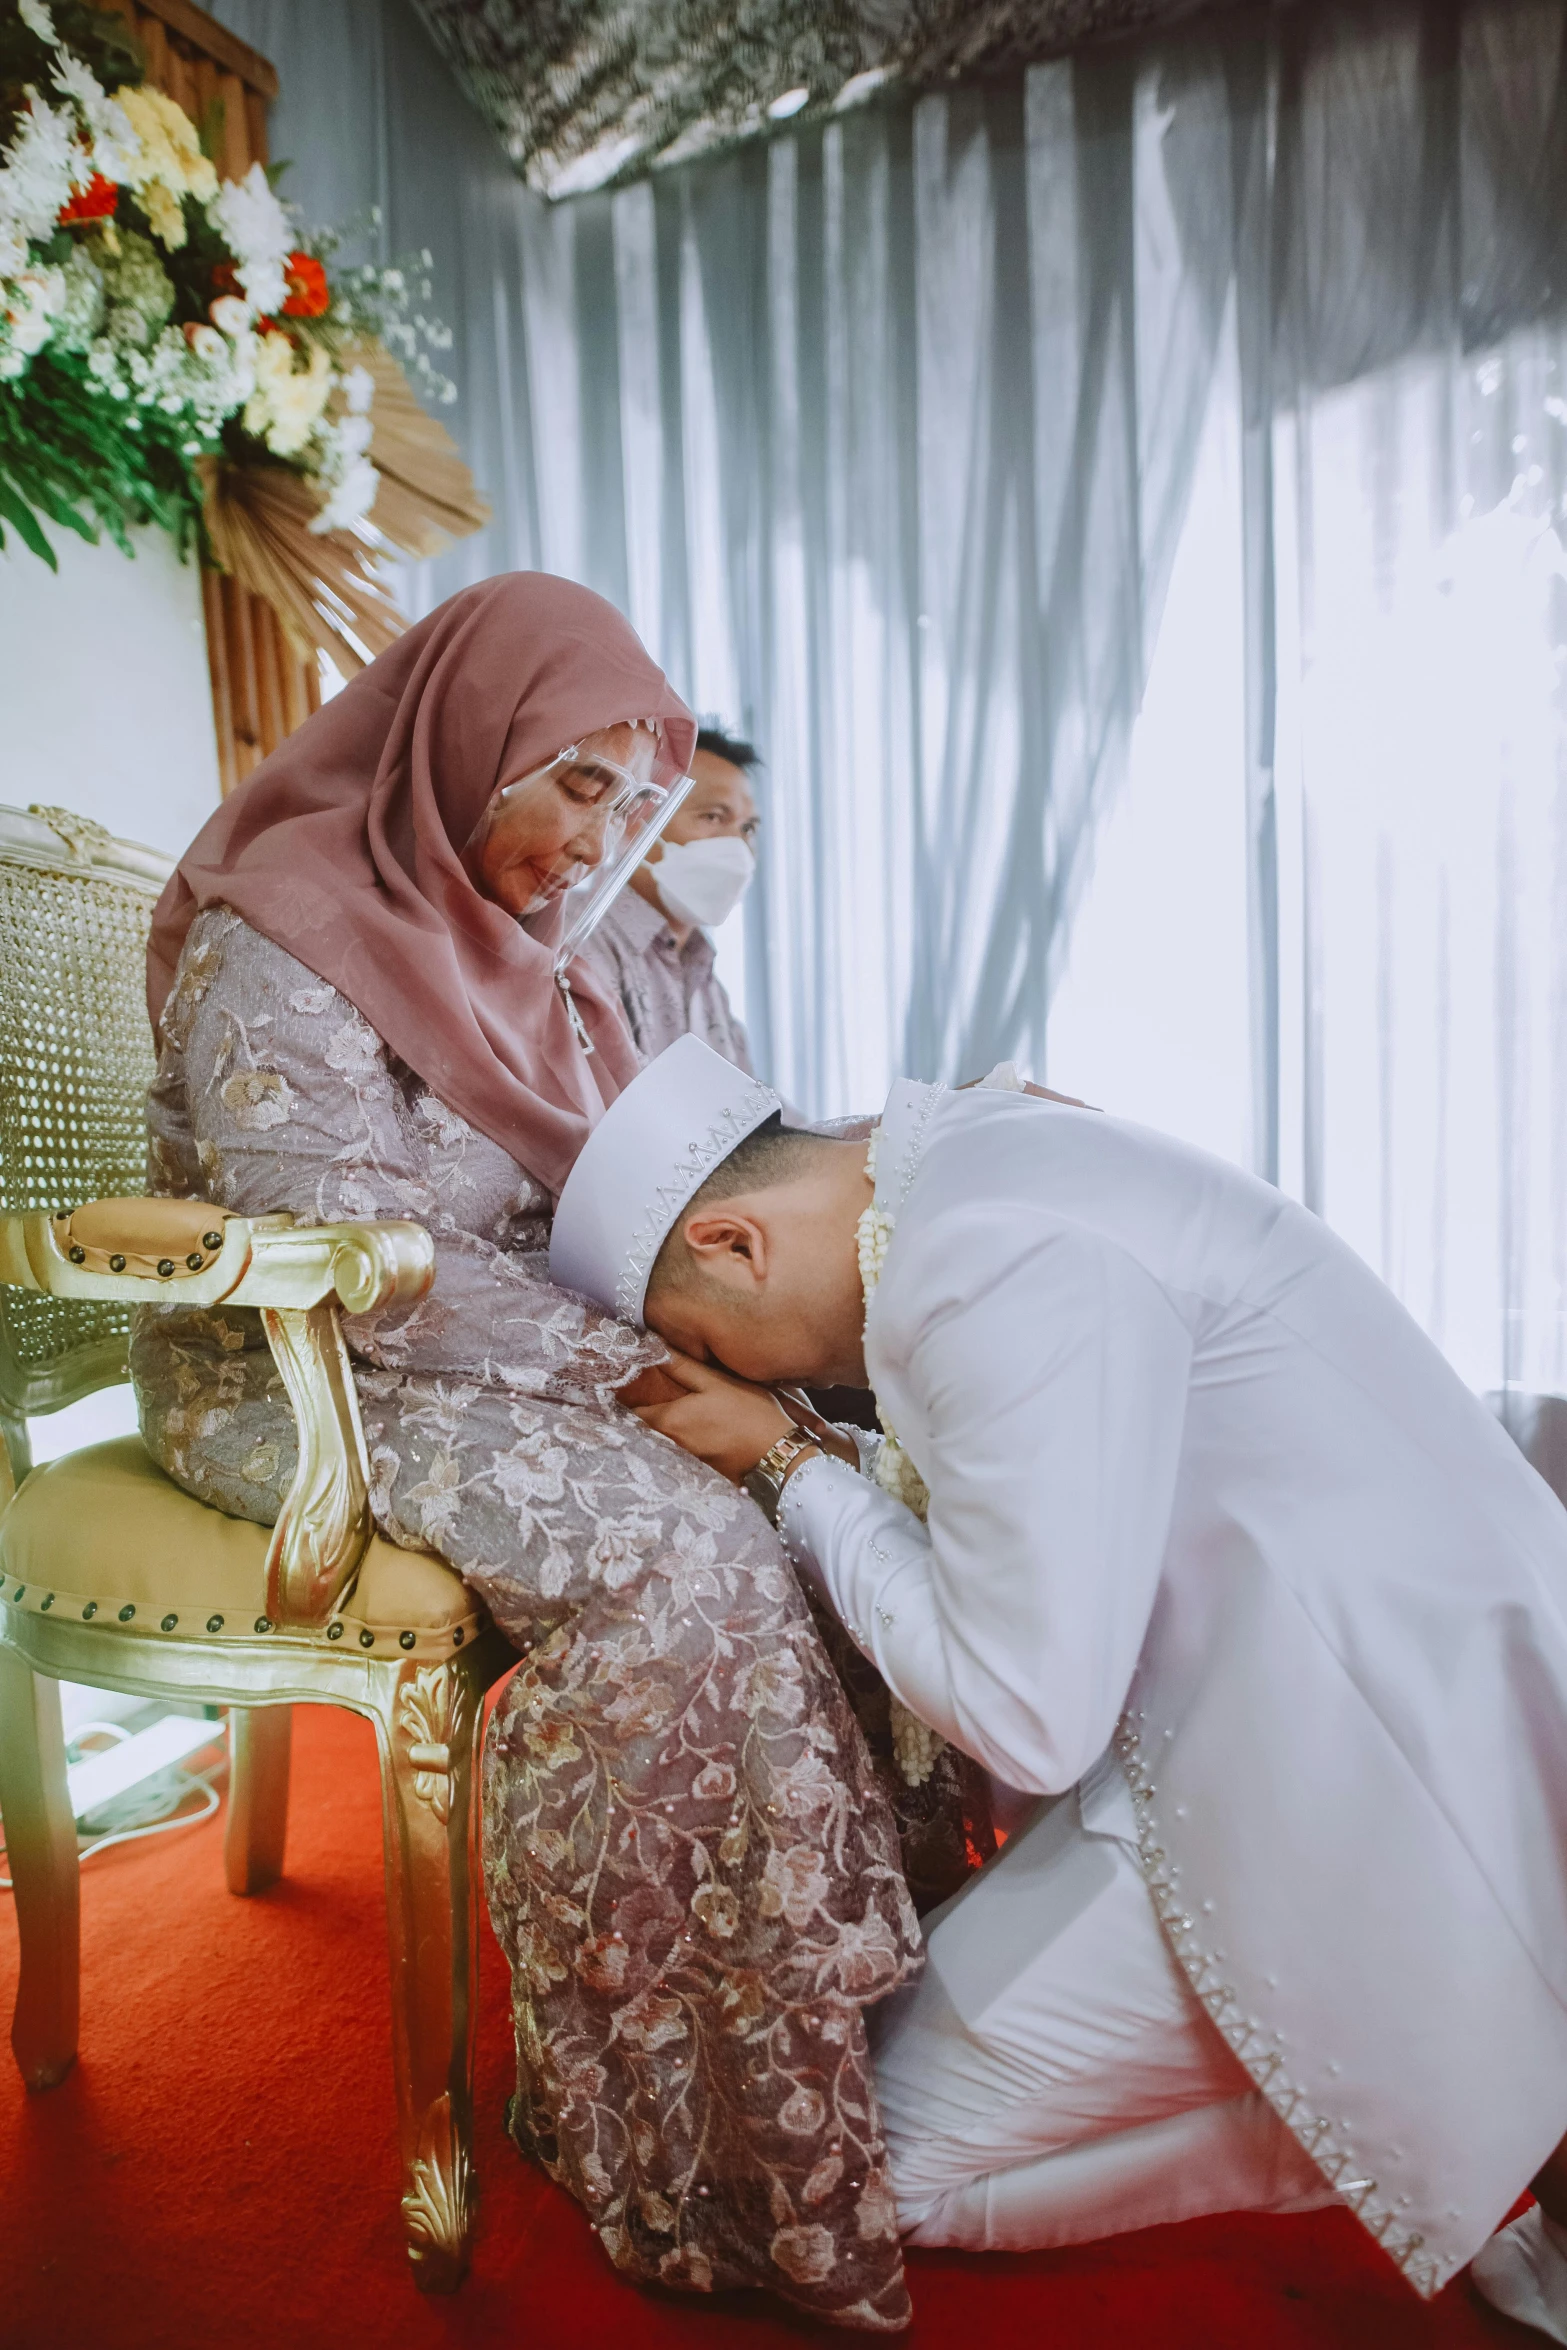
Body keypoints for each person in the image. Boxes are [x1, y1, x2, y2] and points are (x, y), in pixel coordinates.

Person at [131, 577, 956, 2333]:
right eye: (572, 785)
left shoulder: (538, 952)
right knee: (692, 1558)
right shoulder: (277, 928)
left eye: (623, 801)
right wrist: (639, 1358)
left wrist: (719, 1352)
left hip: (495, 1351)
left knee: (796, 1475)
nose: (601, 842)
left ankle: (821, 2037)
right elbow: (344, 1267)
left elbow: (607, 1196)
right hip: (296, 1377)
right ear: (463, 734)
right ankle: (667, 2119)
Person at [549, 1034, 1567, 2334]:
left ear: (736, 1244)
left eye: (713, 1345)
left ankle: (1463, 2082)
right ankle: (1474, 2070)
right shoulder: (962, 1153)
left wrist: (786, 1470)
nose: (759, 1381)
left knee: (863, 2170)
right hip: (1321, 1687)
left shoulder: (978, 1264)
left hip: (1351, 1766)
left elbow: (1026, 1715)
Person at [579, 722, 759, 1070]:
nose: (739, 847)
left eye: (748, 828)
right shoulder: (576, 945)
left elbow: (755, 1114)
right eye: (713, 816)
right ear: (635, 818)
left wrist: (869, 1125)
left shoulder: (702, 970)